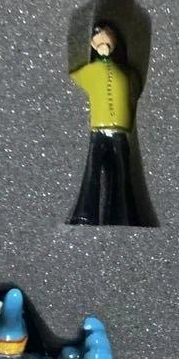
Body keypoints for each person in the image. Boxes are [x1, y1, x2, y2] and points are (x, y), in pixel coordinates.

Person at [67, 20, 144, 226]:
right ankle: (87, 214)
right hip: (103, 129)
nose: (103, 45)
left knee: (119, 172)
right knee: (95, 171)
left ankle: (119, 215)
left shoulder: (122, 73)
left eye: (107, 41)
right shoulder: (94, 71)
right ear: (93, 45)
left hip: (117, 129)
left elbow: (135, 87)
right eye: (99, 42)